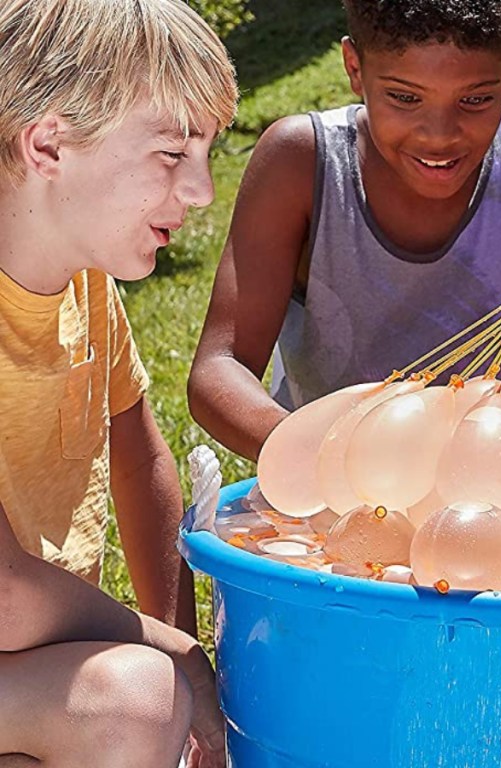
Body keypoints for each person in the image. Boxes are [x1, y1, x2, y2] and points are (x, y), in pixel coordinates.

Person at [0, 0, 238, 763]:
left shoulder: (86, 290)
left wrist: (196, 705)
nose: (200, 190)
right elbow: (4, 598)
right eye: (171, 155)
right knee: (135, 697)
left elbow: (139, 463)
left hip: (28, 673)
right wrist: (176, 655)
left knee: (151, 699)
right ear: (47, 144)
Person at [188, 0, 501, 462]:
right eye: (404, 97)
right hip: (336, 512)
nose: (439, 134)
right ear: (355, 67)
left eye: (474, 99)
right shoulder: (303, 164)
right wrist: (327, 463)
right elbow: (221, 365)